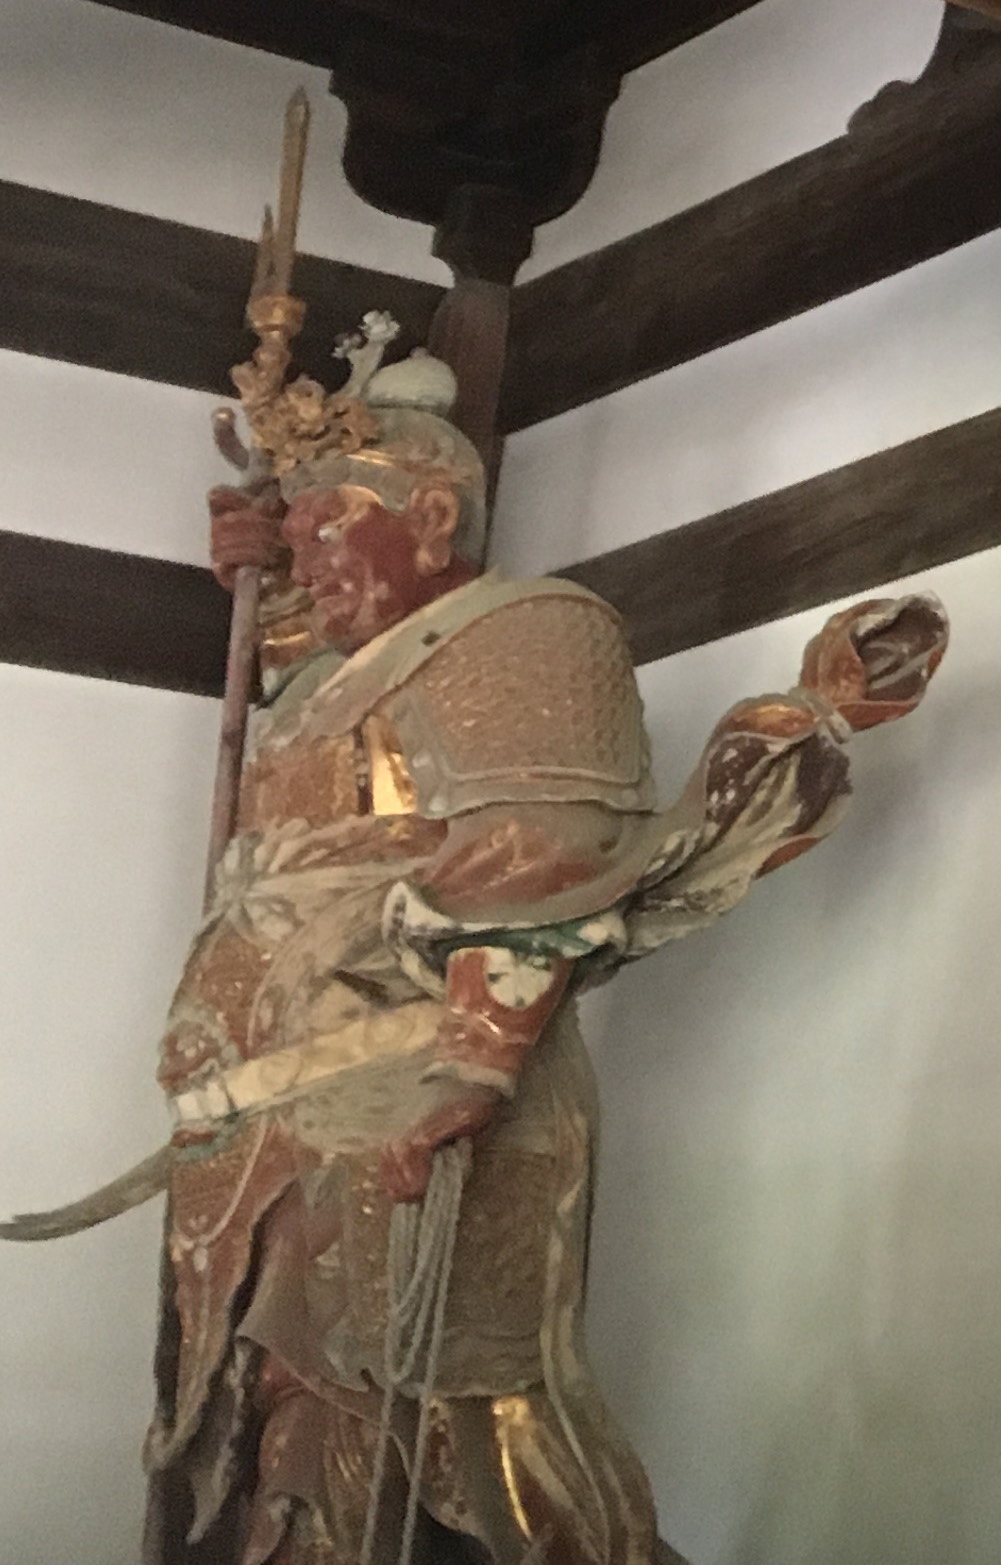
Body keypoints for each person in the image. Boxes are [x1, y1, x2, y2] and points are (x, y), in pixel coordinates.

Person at [12, 323, 941, 1561]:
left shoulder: (535, 632)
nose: (309, 561)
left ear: (434, 515)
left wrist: (475, 1064)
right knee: (254, 1408)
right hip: (259, 1127)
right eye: (299, 541)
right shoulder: (325, 676)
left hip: (412, 1085)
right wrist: (256, 575)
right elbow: (336, 705)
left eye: (329, 525)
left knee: (410, 1413)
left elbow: (539, 861)